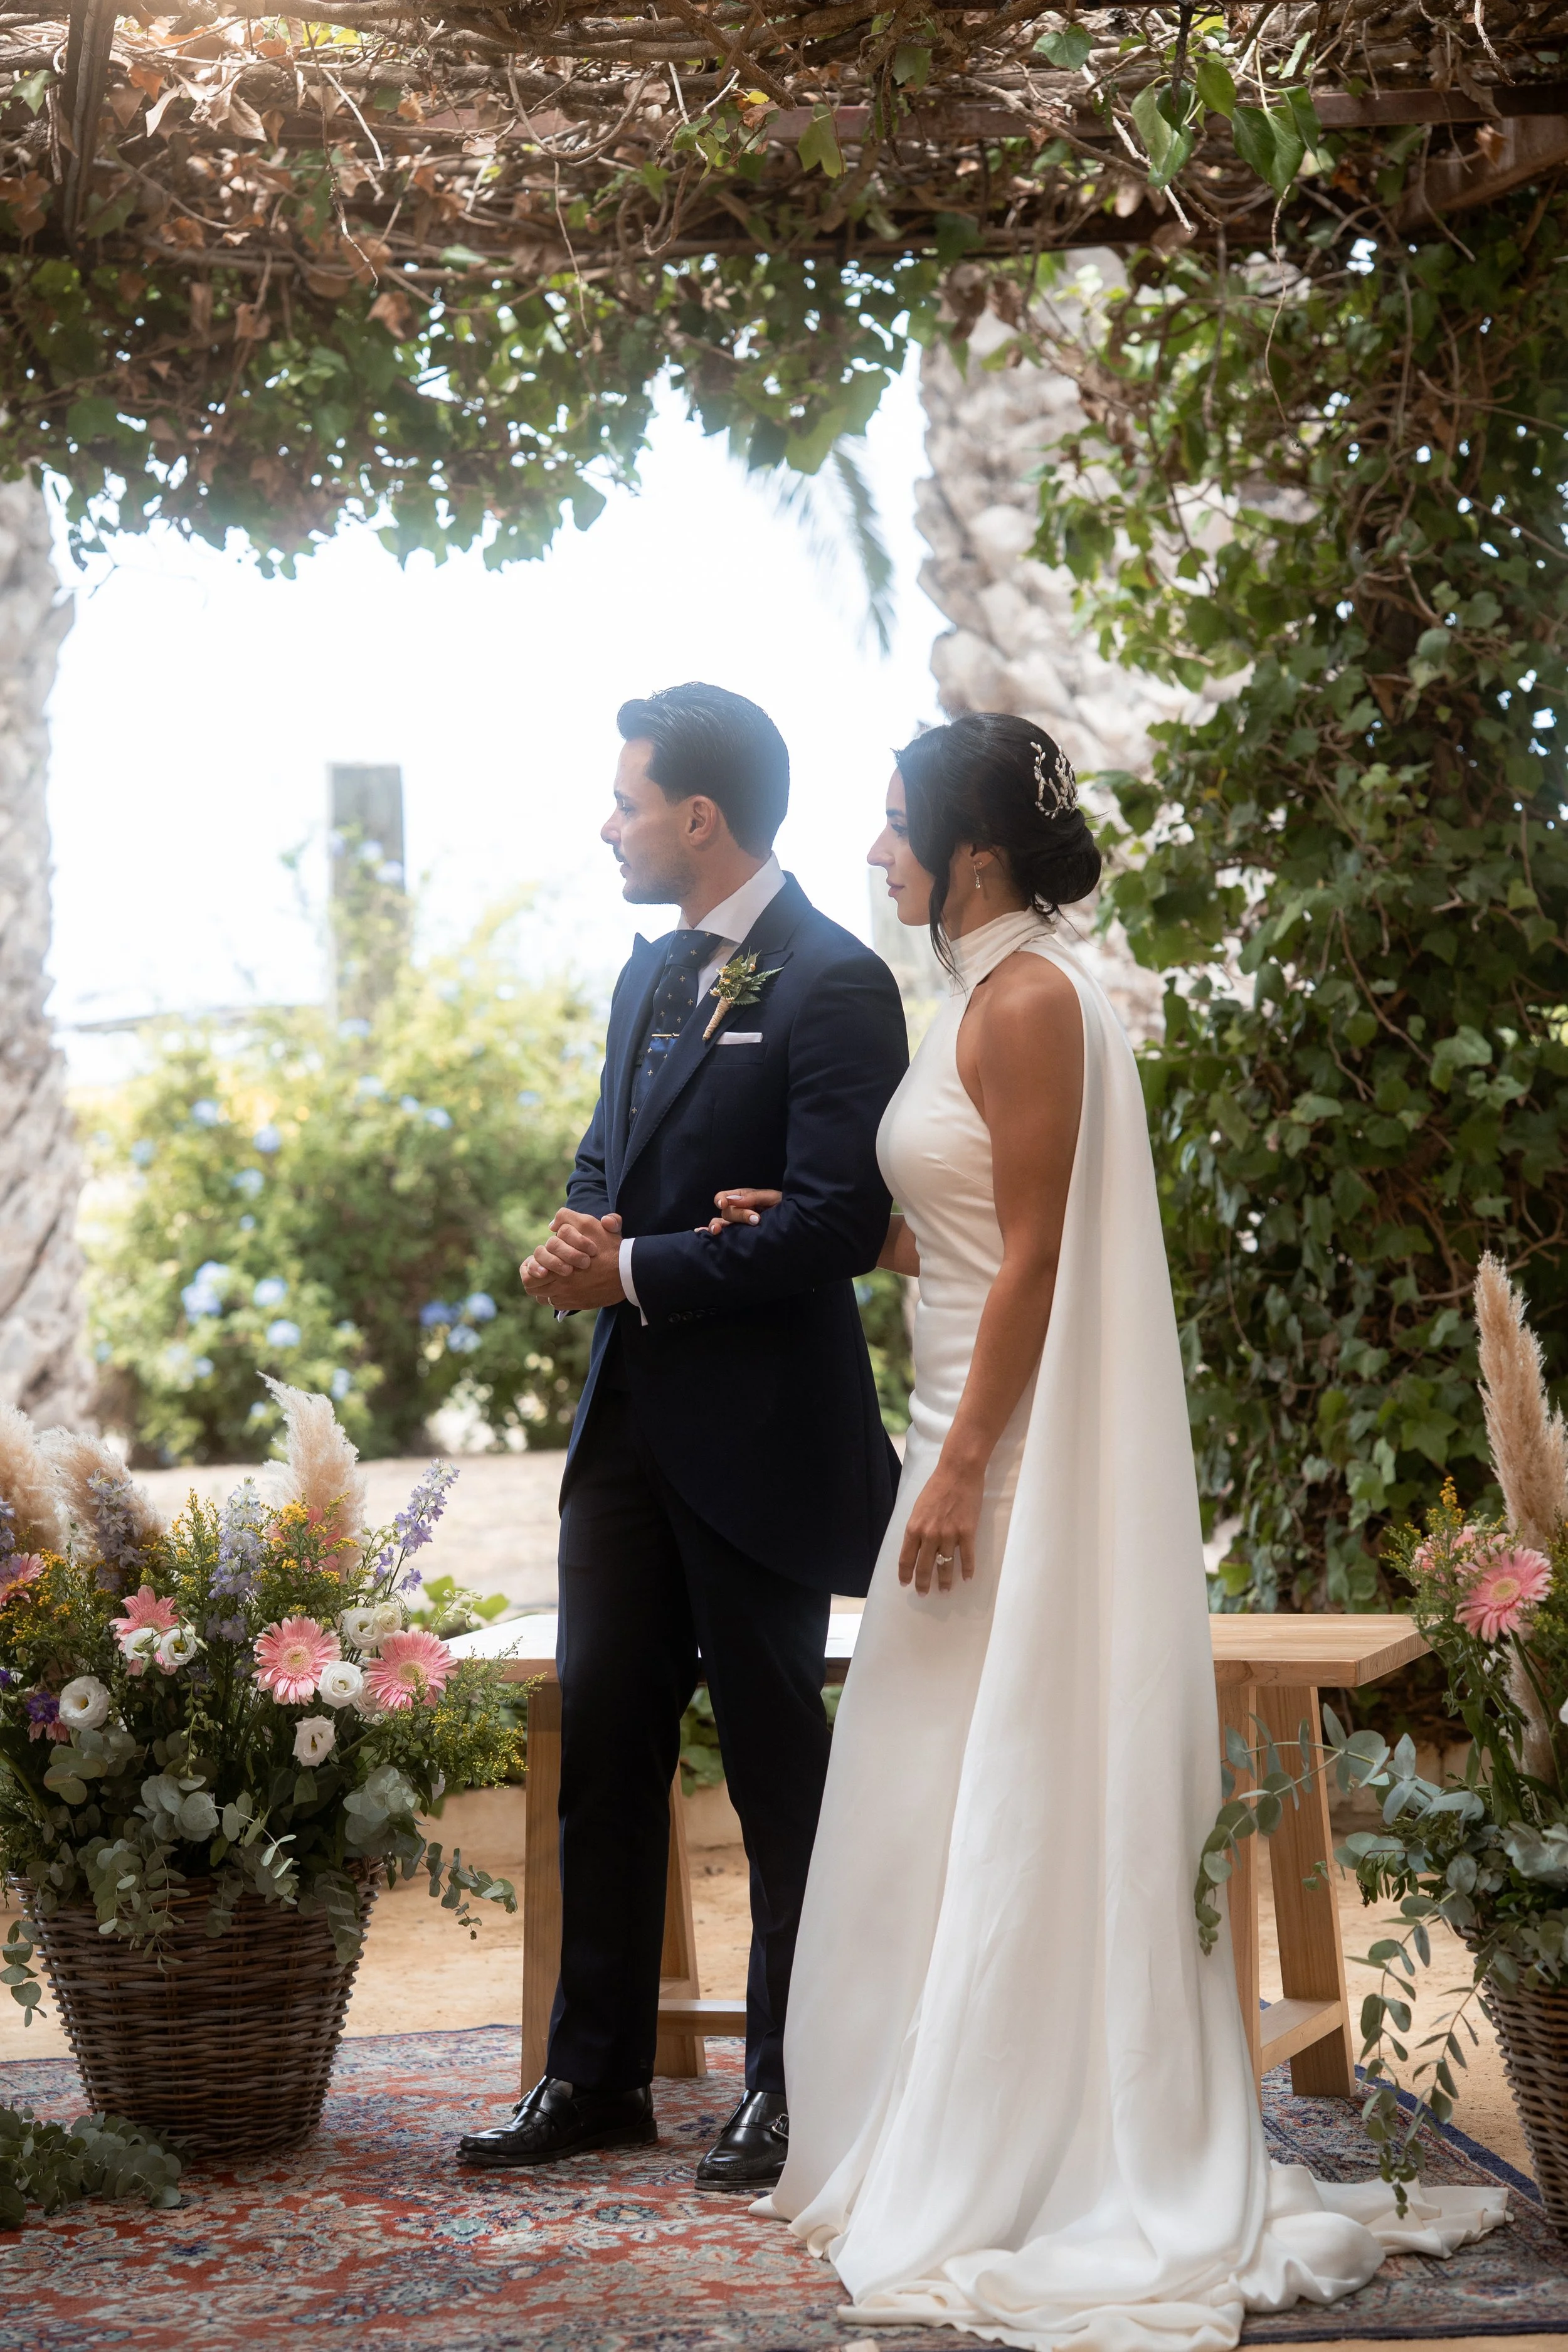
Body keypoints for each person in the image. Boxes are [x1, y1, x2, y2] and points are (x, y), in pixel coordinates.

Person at [725, 713, 1505, 2349]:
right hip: (957, 1419)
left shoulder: (1025, 1001)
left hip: (990, 1458)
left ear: (975, 853)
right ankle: (936, 2115)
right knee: (932, 1785)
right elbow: (954, 1234)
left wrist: (954, 1470)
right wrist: (818, 1232)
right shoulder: (980, 996)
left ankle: (1025, 2145)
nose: (873, 851)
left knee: (991, 1776)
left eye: (891, 826)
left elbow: (1031, 1259)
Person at [455, 682, 908, 2191]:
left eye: (627, 799)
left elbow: (838, 1219)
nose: (609, 824)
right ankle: (591, 2080)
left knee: (779, 1770)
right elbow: (611, 1156)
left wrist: (634, 1271)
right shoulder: (648, 979)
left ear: (697, 816)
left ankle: (791, 2079)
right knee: (605, 1755)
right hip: (625, 1435)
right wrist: (580, 1237)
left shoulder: (835, 981)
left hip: (762, 1439)